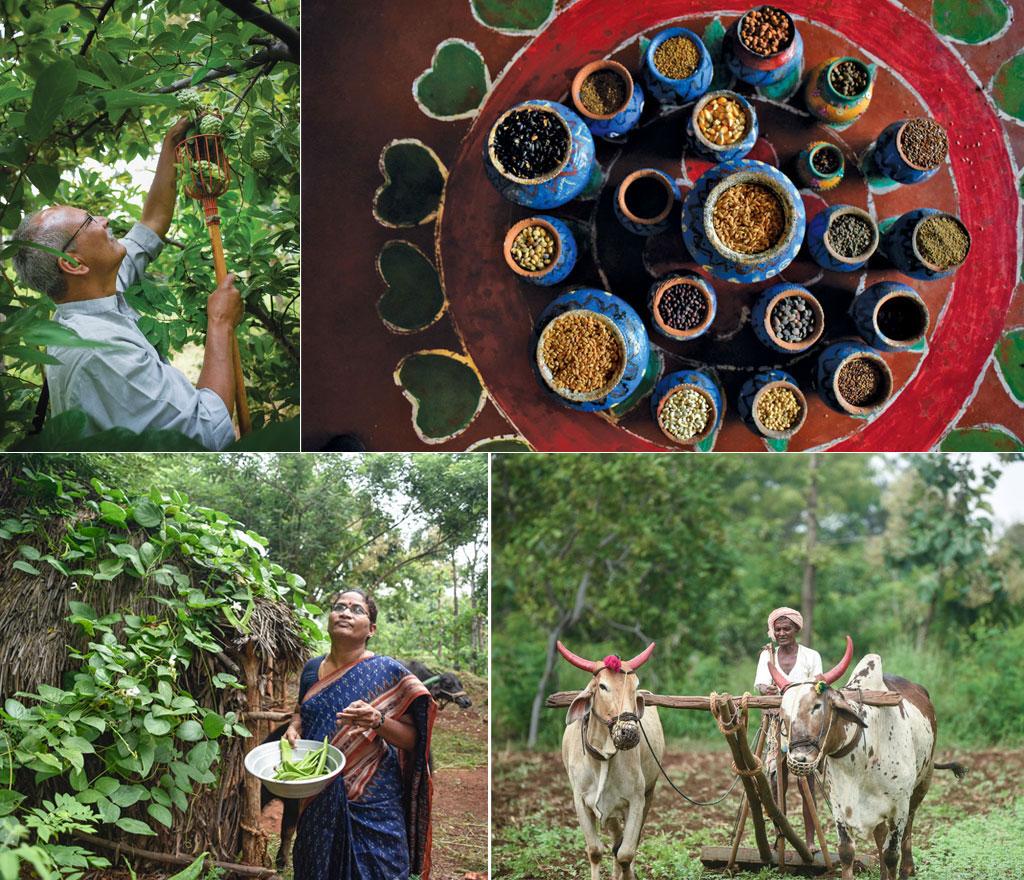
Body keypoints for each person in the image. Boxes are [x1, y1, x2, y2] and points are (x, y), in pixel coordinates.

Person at [9, 117, 241, 449]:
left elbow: (152, 223)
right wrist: (220, 323)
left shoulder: (96, 291)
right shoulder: (102, 353)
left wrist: (170, 143)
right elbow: (206, 431)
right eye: (89, 220)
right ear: (73, 263)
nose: (104, 220)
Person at [283, 590, 434, 880]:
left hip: (373, 798)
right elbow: (302, 710)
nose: (345, 613)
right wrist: (294, 726)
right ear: (329, 618)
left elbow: (414, 740)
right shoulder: (312, 669)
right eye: (339, 606)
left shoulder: (387, 672)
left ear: (371, 629)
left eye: (356, 609)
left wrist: (378, 720)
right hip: (317, 794)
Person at [754, 606, 822, 851]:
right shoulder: (767, 656)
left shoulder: (811, 656)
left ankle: (811, 841)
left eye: (787, 629)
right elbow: (761, 685)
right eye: (778, 629)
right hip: (776, 725)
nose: (782, 633)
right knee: (775, 781)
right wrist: (767, 690)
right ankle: (779, 836)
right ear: (773, 631)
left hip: (803, 728)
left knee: (807, 783)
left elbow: (819, 687)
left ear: (796, 630)